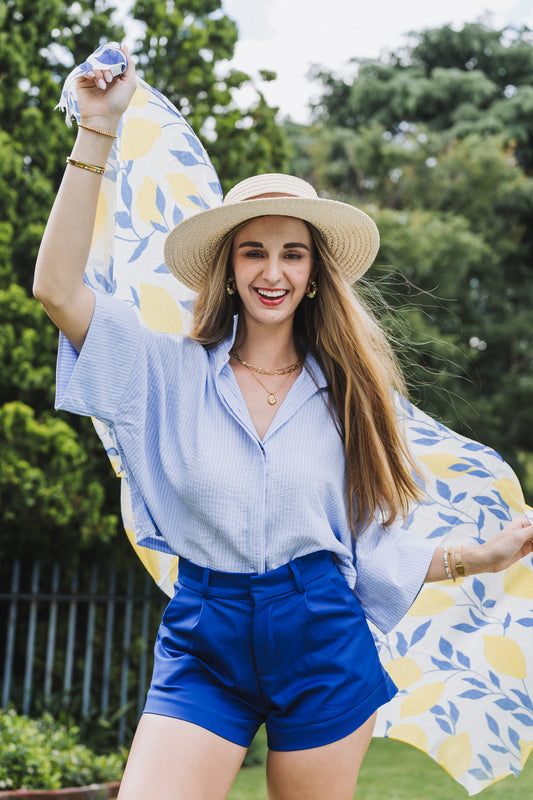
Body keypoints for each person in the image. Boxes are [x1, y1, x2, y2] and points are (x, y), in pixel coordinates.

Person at [33, 47, 533, 800]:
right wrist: (96, 131)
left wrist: (481, 558)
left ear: (313, 273)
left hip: (322, 640)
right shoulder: (166, 373)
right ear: (228, 268)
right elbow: (56, 288)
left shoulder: (351, 397)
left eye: (292, 254)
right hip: (205, 638)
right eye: (254, 252)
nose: (273, 271)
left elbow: (373, 549)